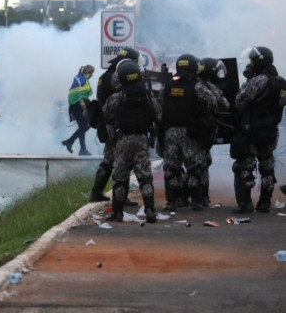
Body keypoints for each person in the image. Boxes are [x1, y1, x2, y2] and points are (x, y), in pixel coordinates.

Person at [102, 60, 162, 222]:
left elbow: (106, 110)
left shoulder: (119, 96)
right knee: (144, 176)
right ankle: (150, 209)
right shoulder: (148, 96)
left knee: (120, 176)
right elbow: (158, 115)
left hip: (123, 140)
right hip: (142, 139)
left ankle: (117, 212)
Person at [231, 46, 286, 213]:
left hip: (251, 131)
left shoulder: (257, 81)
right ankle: (264, 204)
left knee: (244, 166)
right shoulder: (281, 81)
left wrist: (246, 82)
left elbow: (239, 102)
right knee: (267, 166)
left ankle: (245, 204)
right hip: (270, 131)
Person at [159, 54, 217, 212]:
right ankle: (196, 202)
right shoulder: (197, 86)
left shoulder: (168, 85)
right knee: (194, 167)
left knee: (171, 168)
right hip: (190, 132)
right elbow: (212, 102)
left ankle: (171, 202)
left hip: (170, 132)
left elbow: (161, 104)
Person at [89, 48, 140, 202]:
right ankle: (121, 197)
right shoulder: (118, 77)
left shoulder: (105, 75)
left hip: (106, 123)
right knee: (123, 160)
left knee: (109, 160)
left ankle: (96, 192)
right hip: (116, 124)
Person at [196, 58, 230, 206]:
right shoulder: (210, 87)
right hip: (204, 131)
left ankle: (180, 199)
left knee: (188, 164)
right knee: (202, 163)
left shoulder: (190, 85)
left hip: (187, 131)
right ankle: (202, 198)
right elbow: (225, 105)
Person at [62, 64, 95, 156]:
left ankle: (82, 149)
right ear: (88, 72)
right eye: (92, 73)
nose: (92, 75)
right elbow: (76, 91)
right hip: (77, 105)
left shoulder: (84, 79)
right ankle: (70, 142)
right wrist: (81, 101)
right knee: (85, 126)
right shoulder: (80, 78)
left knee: (83, 126)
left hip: (79, 104)